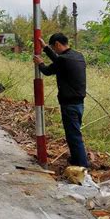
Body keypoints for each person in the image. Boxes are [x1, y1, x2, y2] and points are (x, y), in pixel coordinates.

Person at [33, 33, 88, 167]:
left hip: (69, 105)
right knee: (74, 134)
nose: (54, 49)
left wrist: (40, 63)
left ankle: (81, 166)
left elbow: (47, 70)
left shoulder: (63, 60)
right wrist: (46, 48)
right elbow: (59, 61)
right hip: (79, 104)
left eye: (53, 47)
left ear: (57, 44)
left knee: (74, 137)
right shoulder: (78, 56)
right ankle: (77, 160)